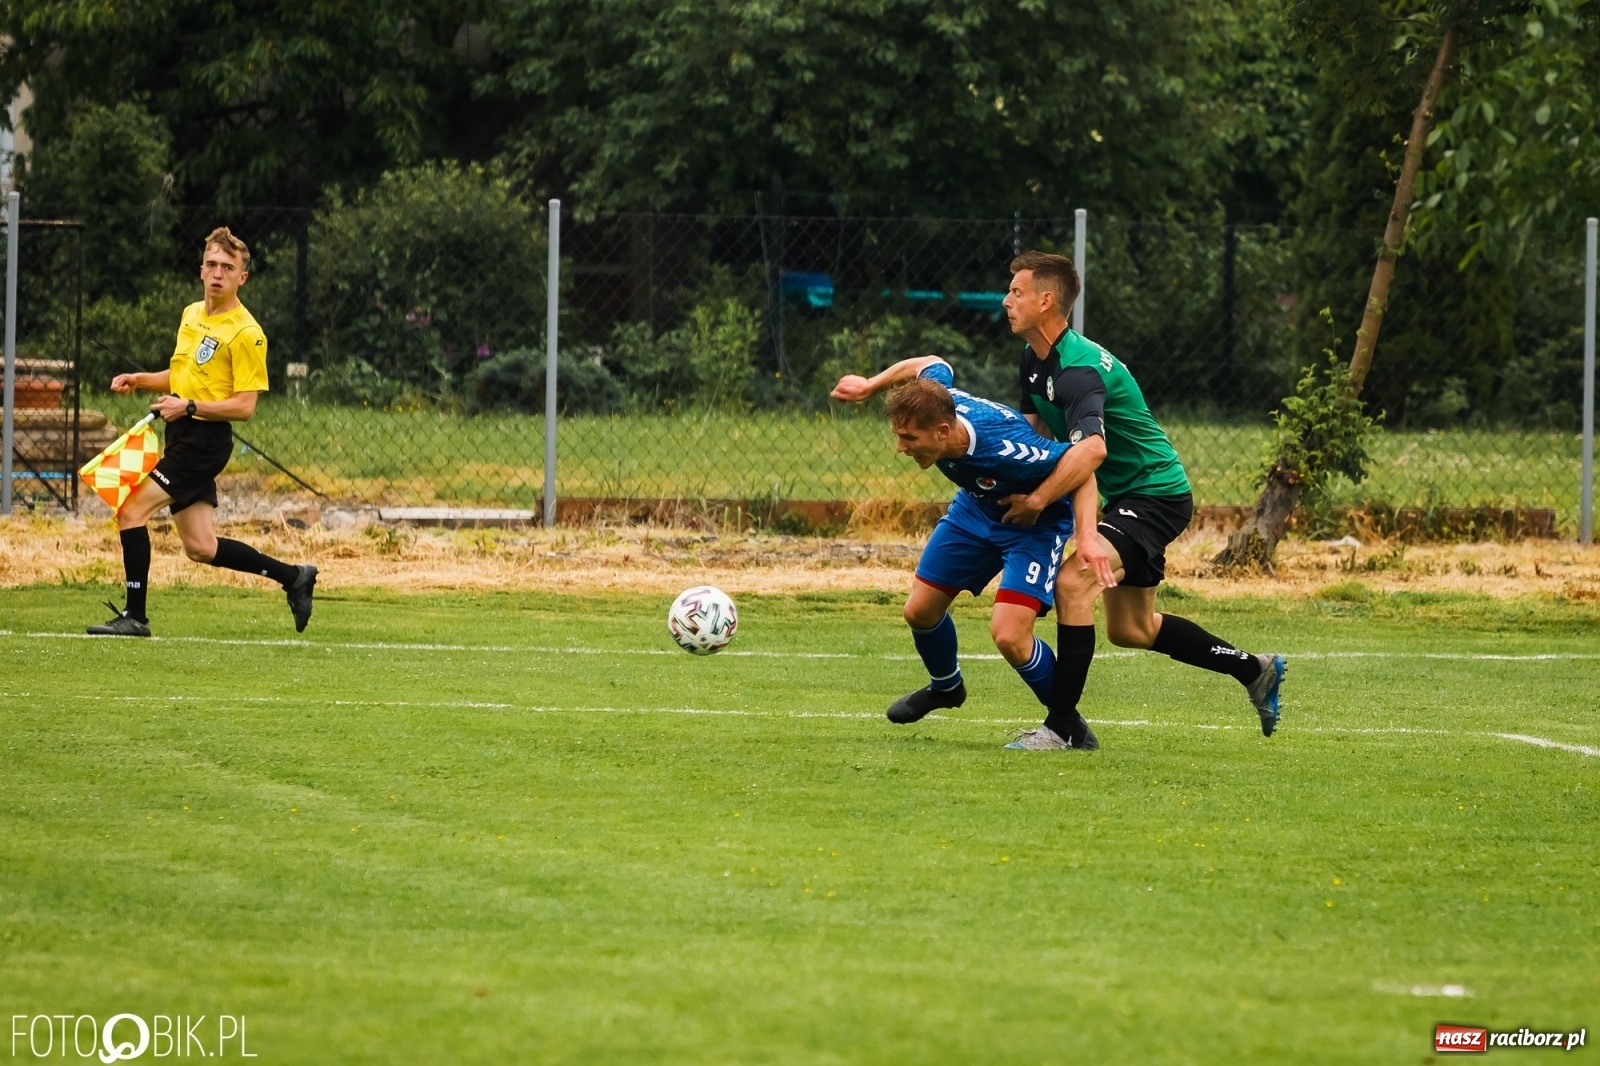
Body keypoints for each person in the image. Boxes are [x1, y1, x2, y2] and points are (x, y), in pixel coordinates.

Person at [1001, 250, 1284, 747]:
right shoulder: (1034, 360)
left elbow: (1092, 448)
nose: (1007, 300)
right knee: (1132, 629)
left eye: (1017, 291)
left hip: (1155, 495)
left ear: (1046, 301)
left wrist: (1041, 501)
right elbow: (1036, 436)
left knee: (1073, 583)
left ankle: (1061, 727)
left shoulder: (1078, 371)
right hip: (1129, 498)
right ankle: (1254, 669)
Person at [831, 356, 1103, 749]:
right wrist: (869, 386)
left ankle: (1068, 726)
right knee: (919, 611)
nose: (900, 448)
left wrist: (1040, 501)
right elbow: (931, 361)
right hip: (974, 511)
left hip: (1034, 525)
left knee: (1010, 636)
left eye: (909, 439)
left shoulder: (1008, 449)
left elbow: (1085, 464)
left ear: (943, 431)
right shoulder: (939, 397)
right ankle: (946, 688)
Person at [87, 227, 317, 637]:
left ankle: (135, 617)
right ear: (201, 270)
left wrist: (189, 406)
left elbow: (245, 407)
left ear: (242, 277)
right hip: (181, 433)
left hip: (205, 441)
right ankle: (295, 577)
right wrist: (140, 379)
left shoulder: (247, 333)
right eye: (212, 264)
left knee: (130, 510)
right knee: (200, 548)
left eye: (228, 267)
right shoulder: (192, 314)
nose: (218, 273)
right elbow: (183, 374)